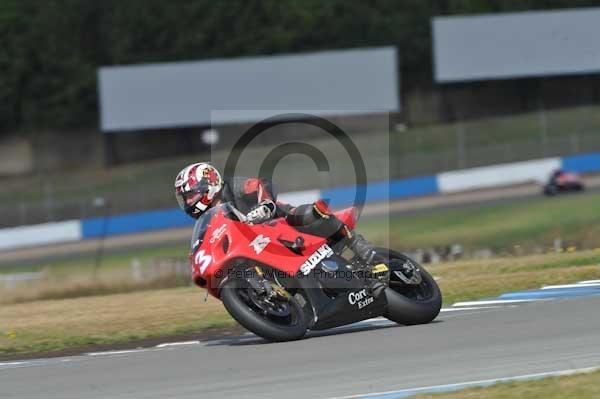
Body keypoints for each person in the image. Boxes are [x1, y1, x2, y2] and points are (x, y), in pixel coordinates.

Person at [174, 162, 377, 267]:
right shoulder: (208, 221)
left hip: (281, 222)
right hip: (257, 249)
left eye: (191, 195)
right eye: (185, 198)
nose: (188, 202)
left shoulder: (232, 187)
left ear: (208, 185)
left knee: (309, 213)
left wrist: (265, 205)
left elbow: (260, 183)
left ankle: (369, 255)